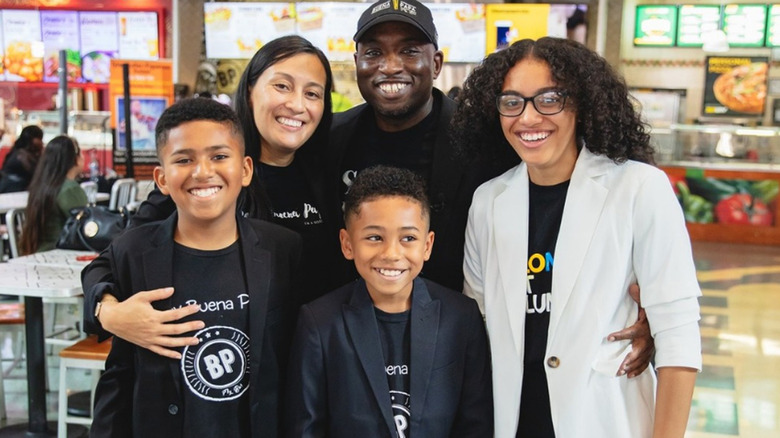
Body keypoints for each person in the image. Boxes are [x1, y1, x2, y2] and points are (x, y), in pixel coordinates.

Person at [327, 0, 653, 376]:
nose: (390, 65)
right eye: (373, 53)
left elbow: (583, 189)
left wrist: (645, 304)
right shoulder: (332, 140)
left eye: (409, 51)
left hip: (459, 347)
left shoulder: (484, 139)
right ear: (356, 63)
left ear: (436, 64)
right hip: (351, 341)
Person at [452, 37, 701, 437]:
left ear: (581, 103)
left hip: (604, 418)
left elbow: (679, 334)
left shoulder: (639, 189)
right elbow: (477, 321)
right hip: (512, 418)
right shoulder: (489, 201)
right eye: (512, 102)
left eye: (549, 99)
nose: (528, 118)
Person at [82, 35, 338, 358]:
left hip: (305, 362)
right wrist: (111, 313)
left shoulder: (324, 175)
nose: (297, 105)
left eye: (312, 93)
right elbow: (111, 262)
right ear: (249, 90)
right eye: (282, 86)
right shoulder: (211, 178)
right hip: (220, 361)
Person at [88, 97, 302, 437]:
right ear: (161, 178)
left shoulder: (283, 249)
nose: (203, 172)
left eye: (219, 156)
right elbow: (96, 278)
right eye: (184, 159)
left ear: (245, 170)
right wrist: (108, 311)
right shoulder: (135, 250)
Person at [285, 165, 492, 437]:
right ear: (347, 244)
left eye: (408, 238)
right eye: (374, 237)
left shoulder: (461, 317)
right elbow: (305, 428)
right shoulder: (319, 323)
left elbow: (476, 424)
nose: (392, 253)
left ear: (427, 245)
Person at [19, 135, 87, 254]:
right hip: (62, 254)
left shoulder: (41, 186)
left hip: (37, 253)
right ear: (74, 159)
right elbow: (86, 226)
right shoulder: (70, 189)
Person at [0, 124, 44, 193]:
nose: (41, 143)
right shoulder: (22, 156)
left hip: (9, 190)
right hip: (13, 192)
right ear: (32, 139)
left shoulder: (18, 152)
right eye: (40, 139)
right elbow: (37, 173)